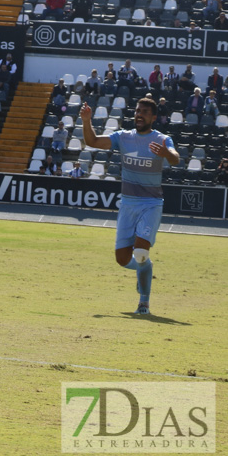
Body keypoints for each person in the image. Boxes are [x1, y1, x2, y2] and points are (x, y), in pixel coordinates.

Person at [80, 98, 180, 315]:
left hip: (151, 204)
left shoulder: (162, 139)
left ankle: (144, 303)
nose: (139, 115)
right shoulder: (123, 137)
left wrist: (166, 154)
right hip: (127, 204)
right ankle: (145, 268)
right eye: (137, 111)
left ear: (153, 117)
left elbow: (175, 159)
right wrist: (86, 121)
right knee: (122, 259)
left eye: (145, 112)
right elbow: (93, 142)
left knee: (141, 251)